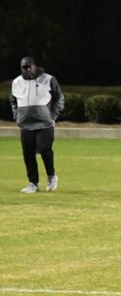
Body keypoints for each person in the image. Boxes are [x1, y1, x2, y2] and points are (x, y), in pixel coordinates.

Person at [12, 56, 63, 193]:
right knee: (28, 154)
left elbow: (59, 98)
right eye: (25, 67)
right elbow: (13, 101)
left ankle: (51, 176)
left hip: (44, 124)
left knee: (44, 148)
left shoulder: (48, 79)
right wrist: (17, 116)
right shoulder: (16, 82)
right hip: (26, 125)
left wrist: (53, 116)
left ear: (35, 66)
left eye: (30, 66)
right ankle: (33, 183)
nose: (28, 69)